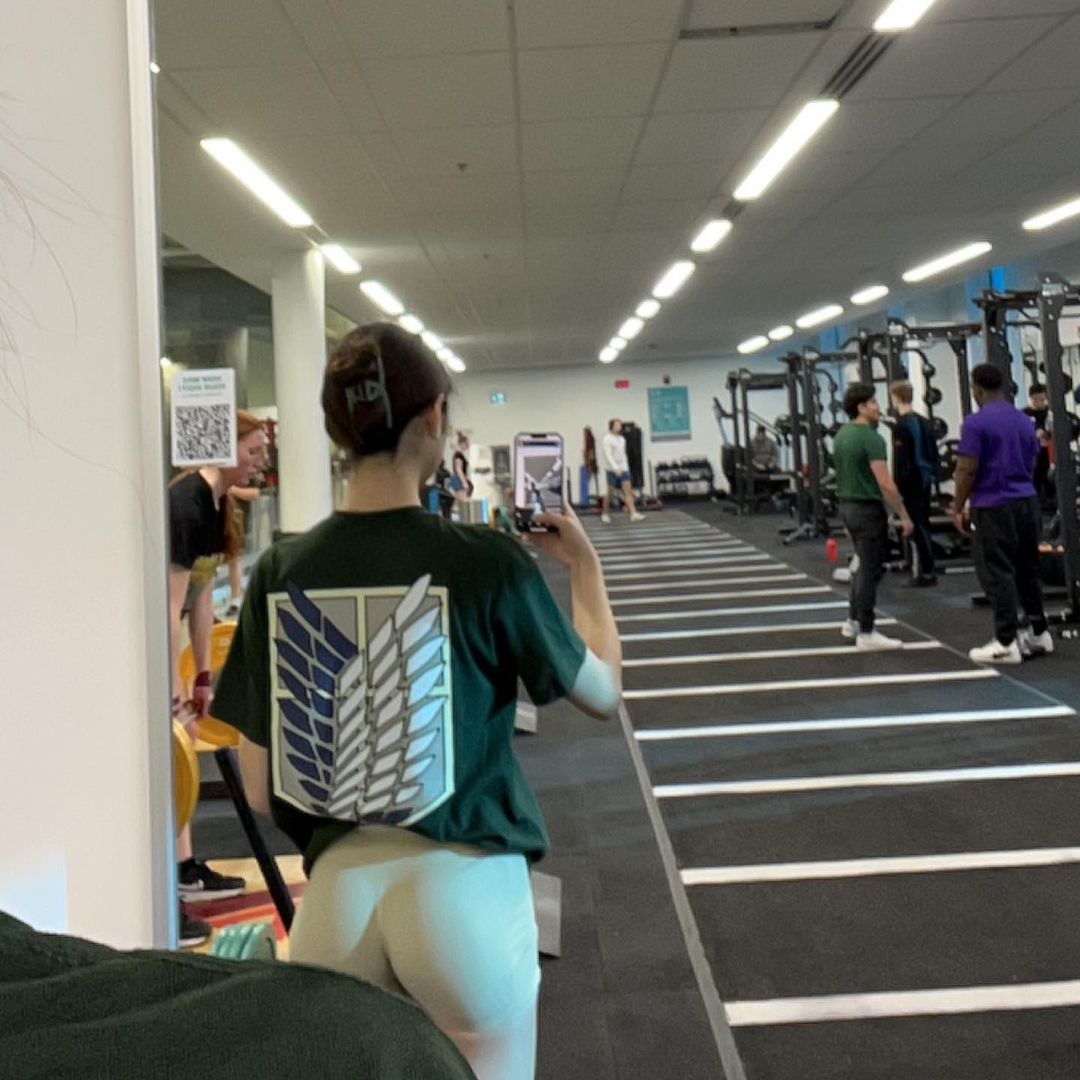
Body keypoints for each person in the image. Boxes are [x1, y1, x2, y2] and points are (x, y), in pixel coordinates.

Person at [211, 323, 622, 1080]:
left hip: (334, 905)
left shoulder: (277, 572)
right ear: (433, 417)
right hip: (467, 897)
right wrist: (586, 572)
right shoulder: (484, 561)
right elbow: (601, 693)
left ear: (336, 429)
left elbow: (263, 790)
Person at [168, 410, 269, 946]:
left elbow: (202, 600)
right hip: (145, 644)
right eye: (252, 451)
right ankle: (172, 883)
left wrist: (204, 675)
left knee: (179, 756)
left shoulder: (215, 503)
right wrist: (172, 691)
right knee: (174, 758)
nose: (259, 461)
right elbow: (168, 607)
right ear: (225, 448)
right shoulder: (185, 503)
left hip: (171, 643)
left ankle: (184, 870)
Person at [952, 364, 1052, 664]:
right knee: (1027, 568)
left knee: (997, 572)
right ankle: (1038, 632)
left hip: (993, 505)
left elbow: (966, 468)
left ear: (977, 389)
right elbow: (1034, 460)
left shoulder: (975, 423)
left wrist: (958, 506)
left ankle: (1006, 641)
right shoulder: (1023, 420)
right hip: (1027, 502)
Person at [833, 383, 914, 651]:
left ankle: (853, 621)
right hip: (867, 510)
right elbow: (885, 483)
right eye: (873, 403)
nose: (878, 408)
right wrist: (904, 515)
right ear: (861, 408)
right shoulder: (871, 438)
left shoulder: (842, 435)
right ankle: (867, 632)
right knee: (871, 570)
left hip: (848, 508)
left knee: (863, 567)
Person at [889, 381, 939, 585]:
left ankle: (925, 572)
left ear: (896, 398)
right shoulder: (924, 422)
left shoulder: (901, 426)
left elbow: (902, 460)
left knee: (916, 524)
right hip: (925, 477)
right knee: (922, 522)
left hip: (911, 479)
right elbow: (933, 454)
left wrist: (896, 486)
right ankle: (921, 567)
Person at [600, 418, 643, 524]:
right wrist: (615, 468)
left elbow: (623, 455)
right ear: (612, 427)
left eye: (620, 425)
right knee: (610, 492)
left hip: (623, 468)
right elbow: (608, 455)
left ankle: (633, 513)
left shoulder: (622, 439)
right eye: (617, 425)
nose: (619, 427)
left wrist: (625, 468)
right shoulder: (607, 439)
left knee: (628, 490)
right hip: (611, 469)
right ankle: (605, 513)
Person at [1023, 383, 1054, 507]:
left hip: (1047, 450)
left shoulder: (1049, 412)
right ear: (1031, 398)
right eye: (1036, 400)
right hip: (1031, 451)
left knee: (1047, 475)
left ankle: (1049, 499)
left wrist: (1047, 433)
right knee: (1035, 476)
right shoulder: (1025, 414)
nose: (1039, 403)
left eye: (1042, 399)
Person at [450, 431, 473, 506]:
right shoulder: (458, 455)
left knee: (458, 501)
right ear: (462, 444)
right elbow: (458, 469)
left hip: (458, 478)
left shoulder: (459, 454)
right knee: (462, 501)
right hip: (458, 479)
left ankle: (453, 512)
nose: (468, 446)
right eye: (467, 444)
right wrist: (464, 483)